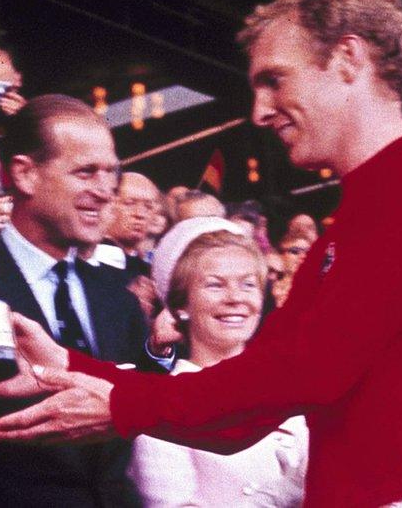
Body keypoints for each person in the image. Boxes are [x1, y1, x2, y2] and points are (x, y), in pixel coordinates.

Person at [0, 0, 402, 507]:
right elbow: (248, 408)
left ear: (349, 60)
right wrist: (69, 368)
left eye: (275, 80)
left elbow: (304, 373)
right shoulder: (366, 208)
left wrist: (121, 404)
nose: (259, 110)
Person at [0, 95, 158, 507]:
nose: (105, 190)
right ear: (25, 175)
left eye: (111, 173)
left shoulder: (120, 300)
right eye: (86, 172)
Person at [127, 217, 308, 507]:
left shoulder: (286, 388)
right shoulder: (161, 405)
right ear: (181, 305)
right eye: (215, 285)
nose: (236, 298)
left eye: (248, 284)